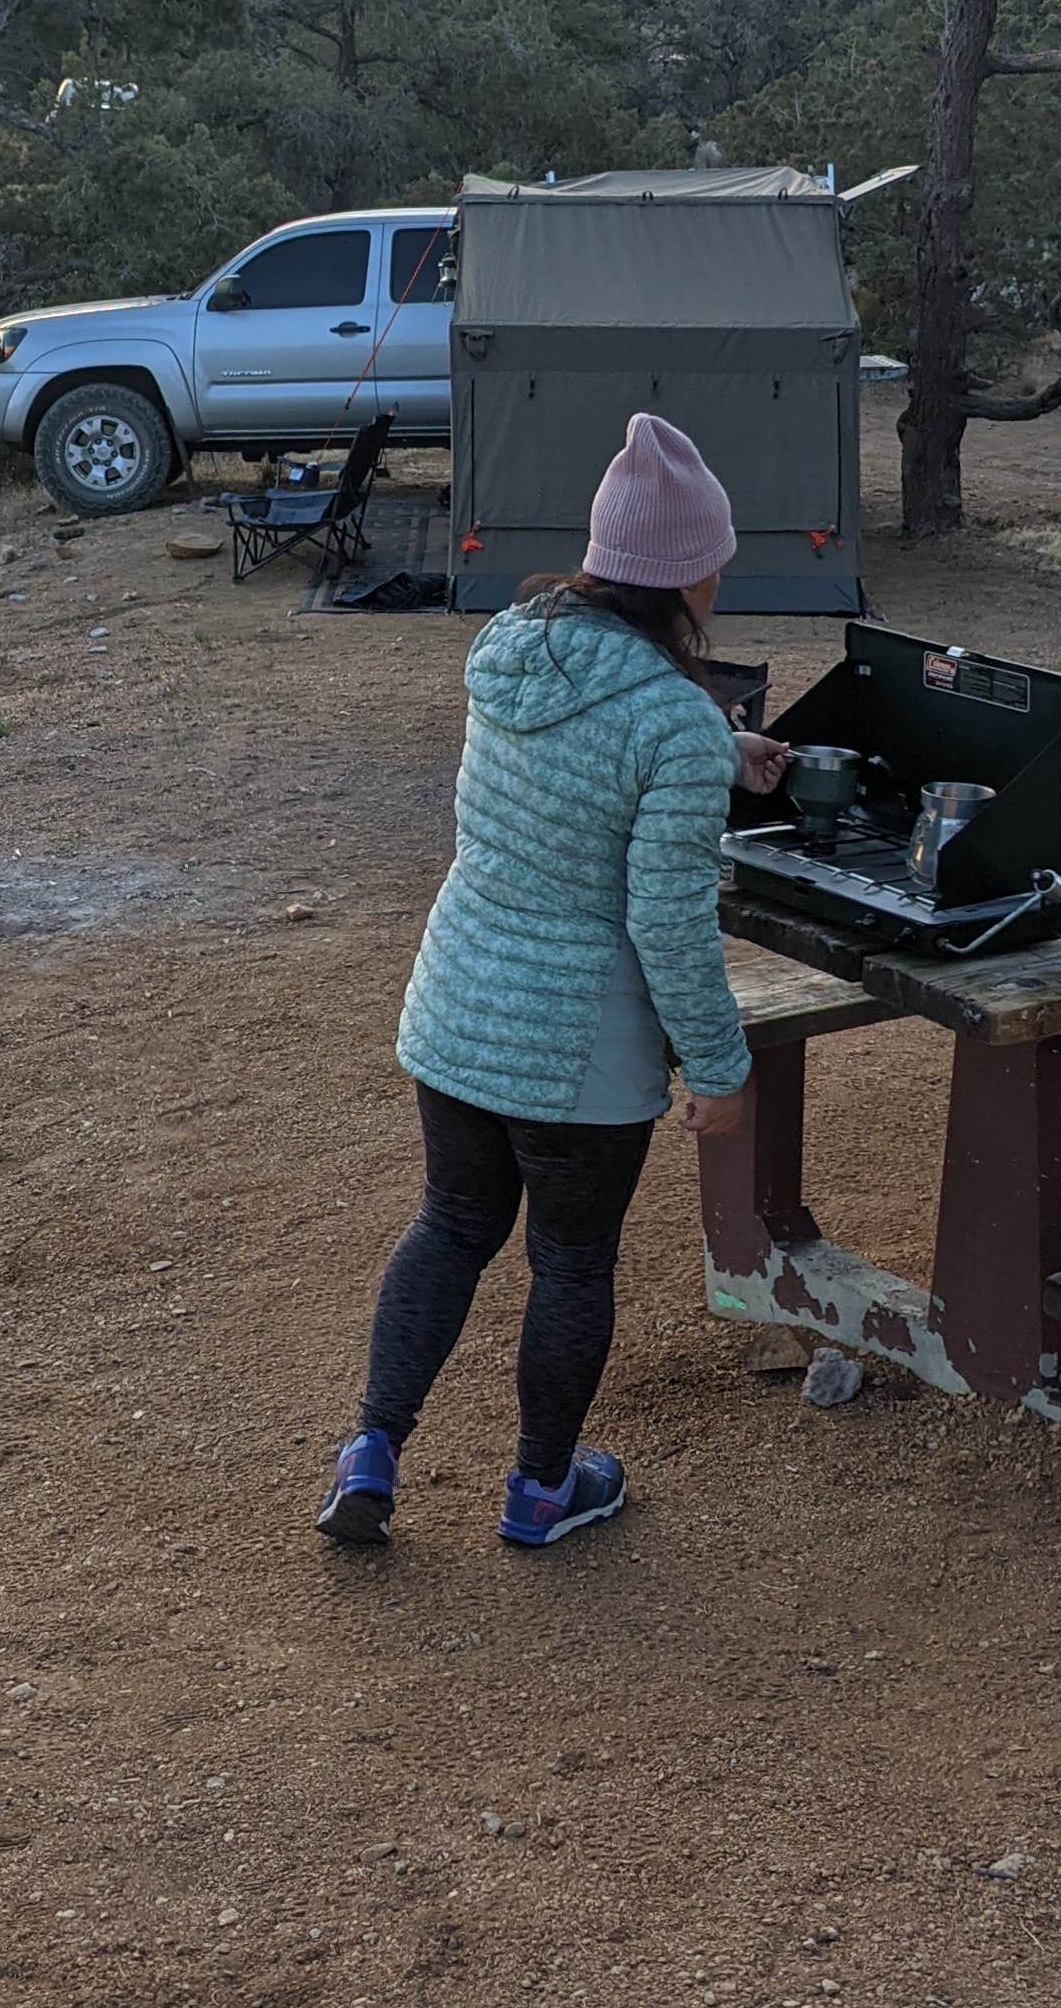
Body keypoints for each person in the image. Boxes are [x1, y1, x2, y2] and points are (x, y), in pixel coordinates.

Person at [315, 412, 789, 1555]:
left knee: (450, 1226)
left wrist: (719, 752)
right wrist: (722, 1069)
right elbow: (667, 920)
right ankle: (539, 1492)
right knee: (570, 1260)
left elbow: (580, 755)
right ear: (692, 571)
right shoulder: (671, 719)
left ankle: (371, 1451)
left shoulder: (511, 647)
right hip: (574, 1047)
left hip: (458, 1006)